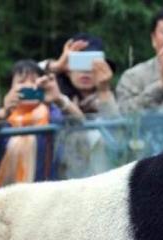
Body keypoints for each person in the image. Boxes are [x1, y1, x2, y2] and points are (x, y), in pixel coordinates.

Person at [0, 60, 84, 186]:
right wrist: (4, 113)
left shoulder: (51, 112)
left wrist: (59, 99)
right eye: (21, 82)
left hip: (46, 192)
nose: (29, 86)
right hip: (8, 194)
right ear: (10, 88)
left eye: (34, 81)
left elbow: (80, 122)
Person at [42, 33, 122, 179]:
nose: (86, 71)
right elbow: (24, 76)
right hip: (66, 184)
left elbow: (118, 135)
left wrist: (104, 90)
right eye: (79, 63)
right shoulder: (53, 100)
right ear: (67, 70)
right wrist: (56, 65)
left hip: (106, 182)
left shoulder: (116, 99)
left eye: (92, 64)